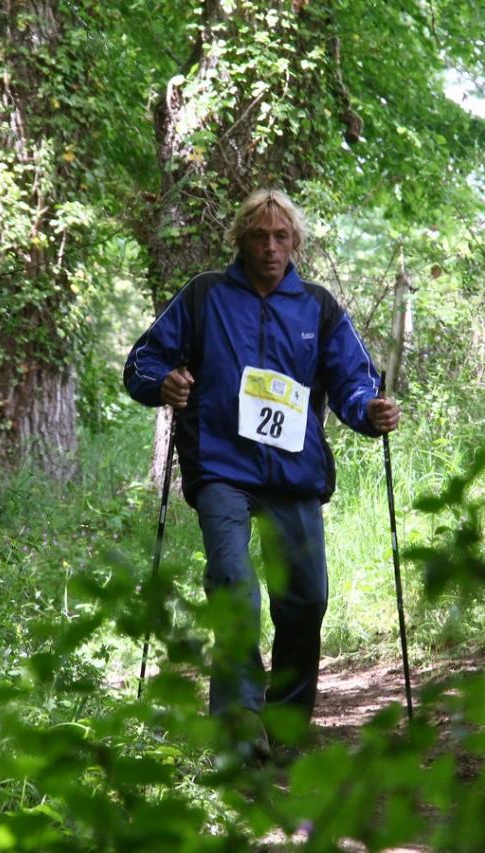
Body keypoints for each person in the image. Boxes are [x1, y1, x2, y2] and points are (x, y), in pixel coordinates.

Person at [123, 188, 400, 760]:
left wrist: (370, 411)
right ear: (241, 241)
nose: (270, 248)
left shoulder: (318, 308)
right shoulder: (205, 296)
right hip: (221, 465)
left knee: (305, 598)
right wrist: (163, 383)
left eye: (281, 237)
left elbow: (352, 379)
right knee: (232, 583)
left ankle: (288, 721)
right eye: (258, 237)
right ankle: (239, 720)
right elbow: (143, 361)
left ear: (295, 243)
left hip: (293, 473)